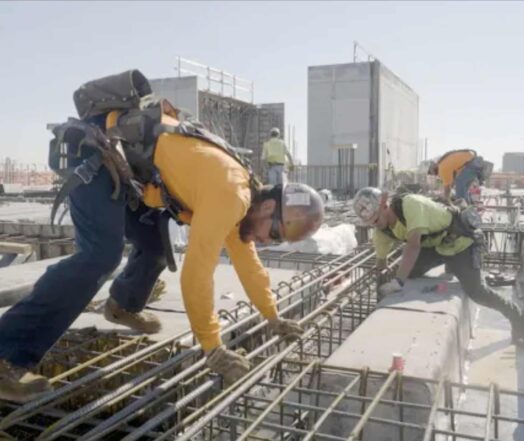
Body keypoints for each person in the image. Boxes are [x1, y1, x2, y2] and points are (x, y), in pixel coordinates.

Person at [0, 71, 324, 402]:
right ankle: (7, 353)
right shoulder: (232, 194)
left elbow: (249, 265)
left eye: (277, 240)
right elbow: (197, 276)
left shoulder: (244, 198)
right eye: (273, 232)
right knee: (100, 255)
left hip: (119, 163)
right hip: (91, 149)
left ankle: (122, 304)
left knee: (154, 246)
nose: (267, 242)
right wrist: (212, 347)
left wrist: (273, 317)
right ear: (268, 206)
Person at [352, 187, 524, 343]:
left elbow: (413, 245)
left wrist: (398, 281)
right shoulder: (381, 233)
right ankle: (450, 268)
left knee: (476, 291)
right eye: (372, 222)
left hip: (459, 242)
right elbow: (380, 265)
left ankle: (517, 316)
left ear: (384, 204)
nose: (376, 224)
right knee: (409, 272)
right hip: (435, 246)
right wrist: (380, 294)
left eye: (377, 219)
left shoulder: (410, 205)